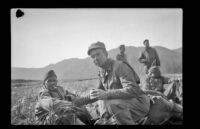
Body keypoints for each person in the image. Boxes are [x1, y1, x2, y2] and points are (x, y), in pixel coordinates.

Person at [84, 41, 150, 125]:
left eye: (98, 54)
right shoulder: (101, 72)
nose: (95, 58)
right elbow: (96, 94)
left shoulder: (119, 66)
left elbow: (133, 89)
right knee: (101, 103)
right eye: (92, 56)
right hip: (121, 104)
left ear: (106, 54)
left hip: (139, 103)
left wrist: (106, 94)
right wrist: (75, 101)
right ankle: (107, 120)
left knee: (110, 104)